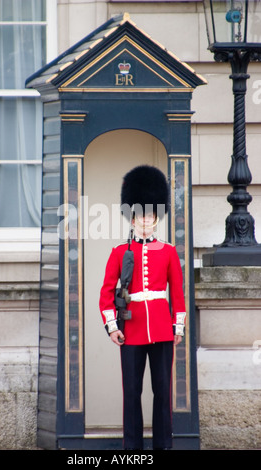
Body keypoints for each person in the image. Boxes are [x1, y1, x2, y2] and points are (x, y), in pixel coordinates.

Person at [99, 165, 186, 450]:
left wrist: (179, 326)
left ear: (156, 217)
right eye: (141, 215)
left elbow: (178, 294)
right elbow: (106, 292)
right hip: (132, 330)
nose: (146, 220)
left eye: (151, 215)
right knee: (132, 393)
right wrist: (112, 327)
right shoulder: (119, 253)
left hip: (161, 329)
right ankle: (132, 450)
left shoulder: (170, 252)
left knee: (162, 393)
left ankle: (163, 446)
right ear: (132, 217)